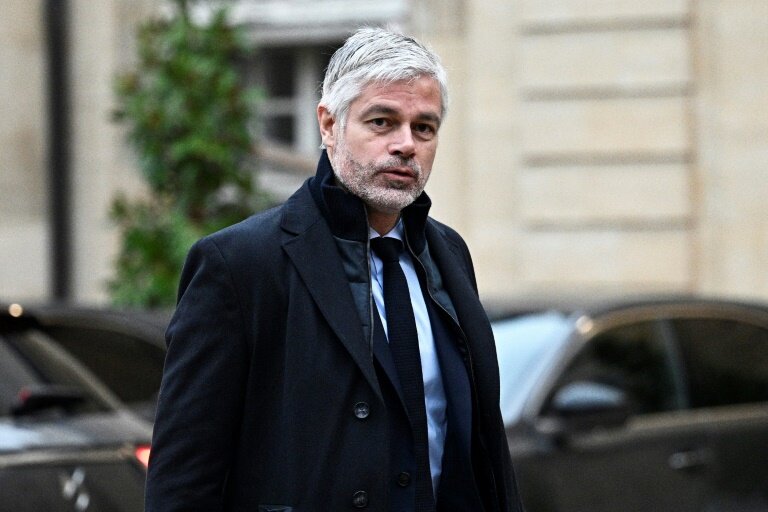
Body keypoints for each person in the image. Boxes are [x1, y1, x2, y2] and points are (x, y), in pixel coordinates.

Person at [145, 27, 523, 512]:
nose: (406, 144)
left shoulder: (448, 253)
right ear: (328, 125)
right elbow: (183, 477)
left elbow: (481, 451)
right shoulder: (239, 264)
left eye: (423, 127)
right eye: (382, 122)